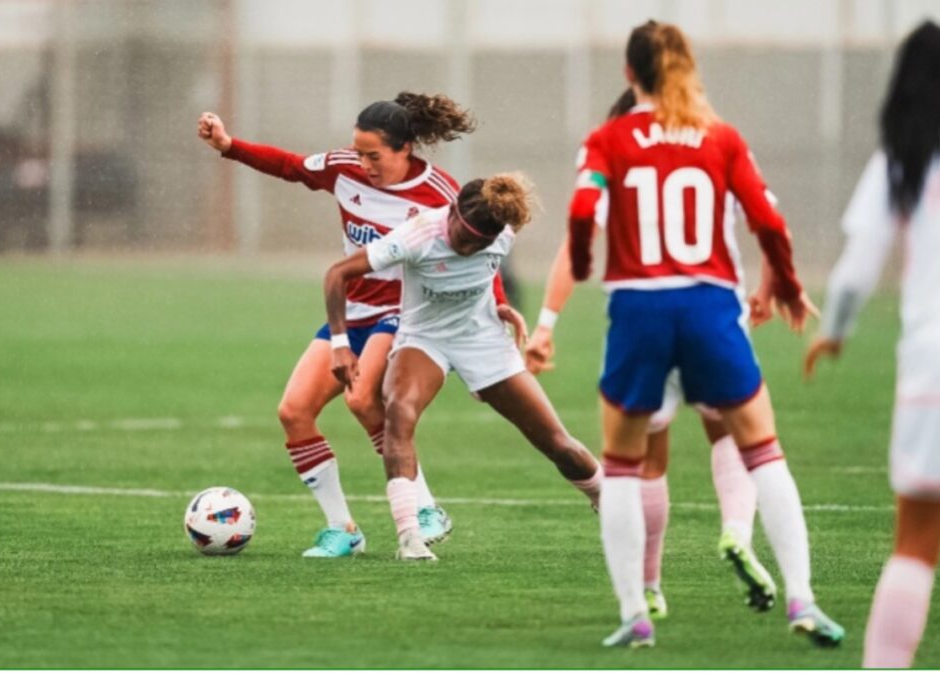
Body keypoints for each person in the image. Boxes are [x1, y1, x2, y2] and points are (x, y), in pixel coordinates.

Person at [567, 20, 844, 649]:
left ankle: (636, 612)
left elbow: (583, 210)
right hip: (710, 307)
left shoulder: (607, 139)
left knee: (623, 462)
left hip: (639, 311)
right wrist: (790, 287)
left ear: (628, 73)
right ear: (686, 69)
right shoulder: (720, 138)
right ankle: (802, 597)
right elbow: (769, 221)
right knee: (762, 448)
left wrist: (586, 262)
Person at [526, 88, 780, 620]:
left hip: (645, 320)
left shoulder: (614, 156)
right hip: (713, 313)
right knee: (732, 433)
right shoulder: (714, 147)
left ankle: (649, 586)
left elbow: (577, 249)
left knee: (645, 457)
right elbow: (769, 223)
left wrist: (546, 323)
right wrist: (770, 288)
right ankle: (737, 532)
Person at [197, 92, 486, 557]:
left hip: (405, 313)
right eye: (358, 152)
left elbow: (480, 258)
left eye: (374, 155)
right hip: (351, 311)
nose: (363, 163)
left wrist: (496, 316)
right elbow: (290, 165)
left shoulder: (440, 195)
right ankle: (344, 529)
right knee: (293, 412)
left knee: (360, 396)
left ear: (405, 149)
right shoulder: (344, 168)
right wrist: (229, 145)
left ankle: (427, 507)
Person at [323, 173, 604, 561]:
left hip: (482, 340)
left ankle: (610, 504)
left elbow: (487, 274)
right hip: (425, 339)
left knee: (558, 444)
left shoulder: (503, 234)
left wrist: (501, 307)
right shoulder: (417, 236)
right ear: (451, 211)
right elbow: (337, 274)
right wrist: (340, 344)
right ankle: (410, 537)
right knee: (399, 411)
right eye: (465, 235)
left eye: (480, 242)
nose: (469, 247)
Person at [805, 21, 940, 668]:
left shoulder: (906, 154)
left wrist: (834, 333)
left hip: (937, 362)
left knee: (916, 546)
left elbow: (853, 271)